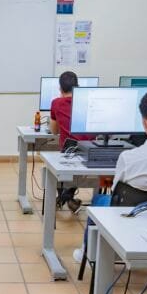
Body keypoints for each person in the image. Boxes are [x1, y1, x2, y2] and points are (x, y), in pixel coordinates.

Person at [74, 89, 147, 261]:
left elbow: (115, 192)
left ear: (145, 122)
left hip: (133, 215)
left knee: (98, 200)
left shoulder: (129, 157)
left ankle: (86, 252)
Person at [49, 71, 96, 212]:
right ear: (77, 86)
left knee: (58, 160)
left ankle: (65, 197)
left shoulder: (56, 103)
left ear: (60, 88)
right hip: (90, 150)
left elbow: (54, 131)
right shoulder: (88, 101)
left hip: (68, 150)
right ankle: (67, 197)